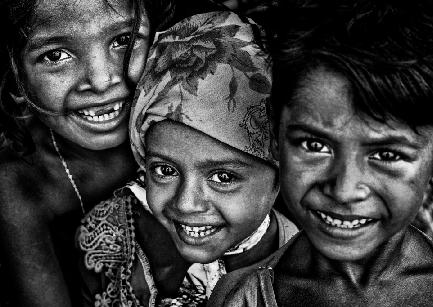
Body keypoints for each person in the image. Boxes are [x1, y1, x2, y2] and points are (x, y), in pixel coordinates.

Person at [208, 0, 433, 306]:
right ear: (275, 135)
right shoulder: (238, 298)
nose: (344, 191)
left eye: (387, 155)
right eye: (314, 145)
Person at [0, 0, 222, 305]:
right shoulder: (23, 187)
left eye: (123, 41)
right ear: (15, 80)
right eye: (55, 55)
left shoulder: (197, 117)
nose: (102, 81)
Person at [77, 10, 298, 307]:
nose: (186, 203)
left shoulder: (304, 269)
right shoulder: (109, 238)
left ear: (280, 176)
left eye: (223, 177)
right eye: (164, 169)